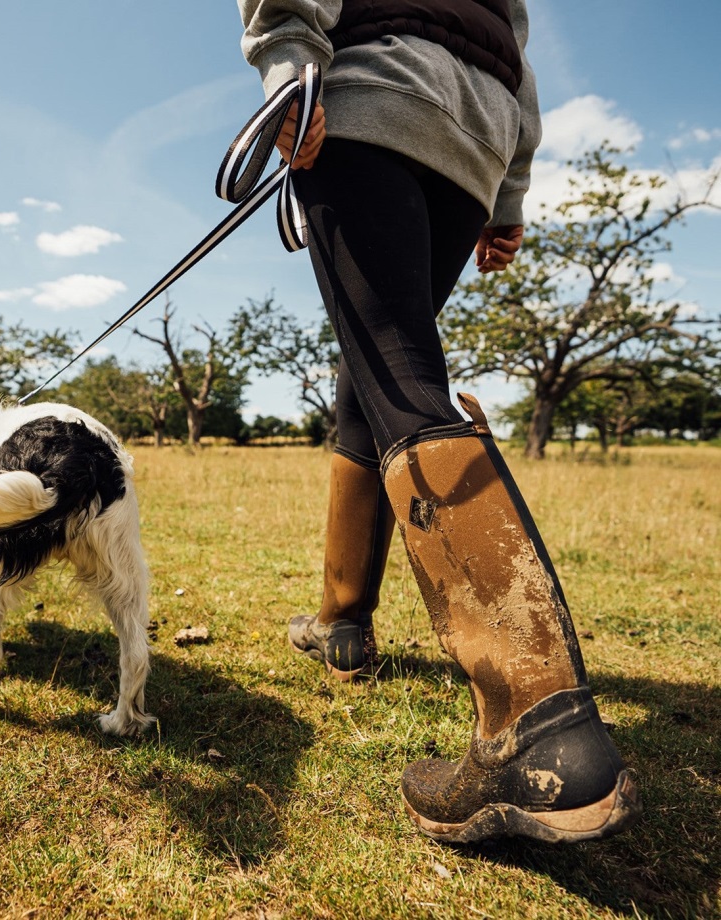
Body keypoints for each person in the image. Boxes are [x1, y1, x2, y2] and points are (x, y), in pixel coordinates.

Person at [237, 0, 642, 844]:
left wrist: (287, 59)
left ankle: (536, 724)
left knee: (405, 380)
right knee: (375, 375)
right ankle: (342, 622)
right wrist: (508, 190)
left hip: (374, 97)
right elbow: (516, 51)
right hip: (473, 142)